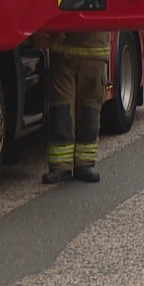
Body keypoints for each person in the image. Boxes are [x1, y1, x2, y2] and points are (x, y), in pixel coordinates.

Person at [36, 31, 111, 184]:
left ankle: (84, 165)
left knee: (89, 111)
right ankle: (61, 167)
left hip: (87, 54)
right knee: (61, 111)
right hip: (66, 56)